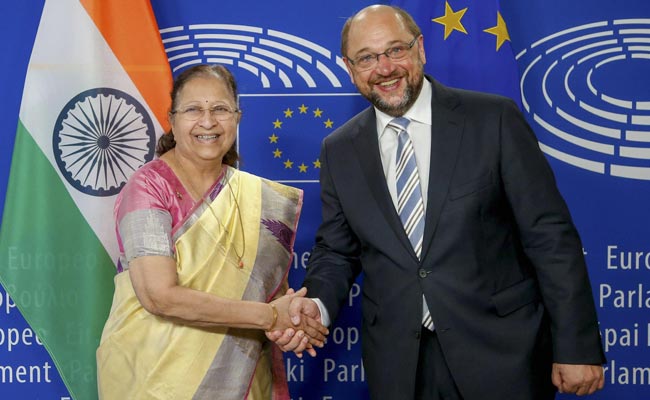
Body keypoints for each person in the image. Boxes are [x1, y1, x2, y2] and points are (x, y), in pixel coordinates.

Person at [268, 5, 606, 400]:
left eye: (396, 50)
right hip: (400, 366)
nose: (384, 68)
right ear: (349, 67)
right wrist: (317, 306)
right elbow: (337, 252)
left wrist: (577, 346)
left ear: (420, 49)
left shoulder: (493, 120)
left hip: (502, 356)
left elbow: (550, 238)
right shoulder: (339, 149)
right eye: (367, 58)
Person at [96, 64, 328, 400]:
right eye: (193, 110)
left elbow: (271, 295)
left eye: (220, 109)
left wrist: (288, 323)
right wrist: (268, 316)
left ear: (237, 117)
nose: (208, 121)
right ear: (172, 120)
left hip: (244, 380)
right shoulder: (147, 188)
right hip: (156, 381)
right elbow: (158, 295)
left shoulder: (260, 199)